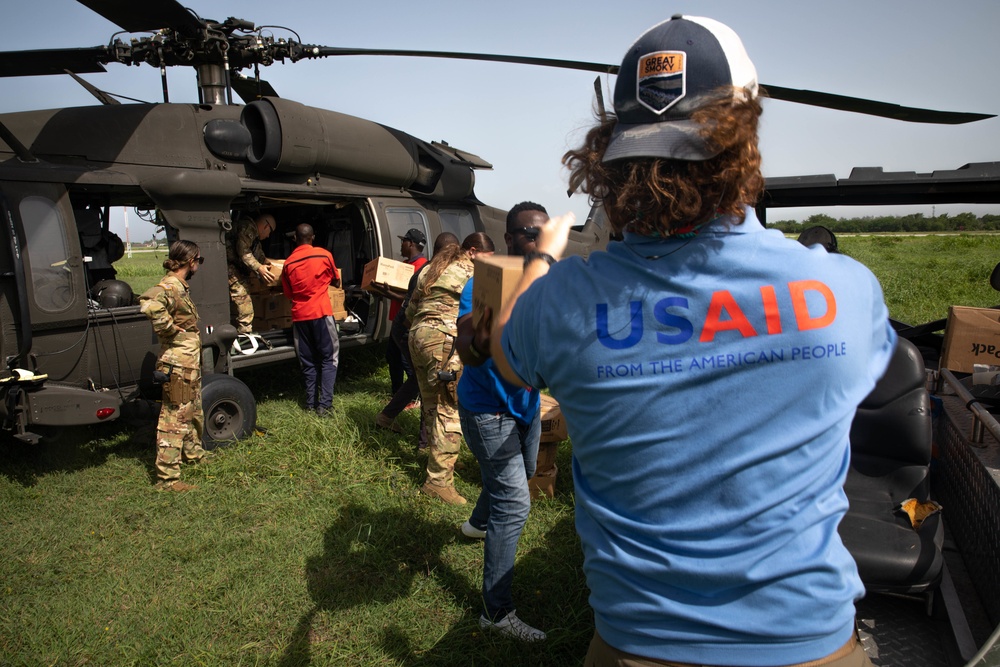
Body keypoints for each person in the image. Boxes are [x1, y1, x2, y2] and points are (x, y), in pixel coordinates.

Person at [489, 16, 893, 667]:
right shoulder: (847, 292)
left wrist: (541, 257)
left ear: (610, 153)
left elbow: (504, 355)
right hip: (812, 644)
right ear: (744, 140)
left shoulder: (560, 302)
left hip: (638, 647)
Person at [454, 202, 548, 642]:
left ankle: (476, 524)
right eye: (531, 233)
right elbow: (467, 347)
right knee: (515, 503)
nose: (539, 242)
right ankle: (495, 613)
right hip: (487, 411)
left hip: (526, 407)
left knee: (523, 475)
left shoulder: (547, 287)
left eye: (544, 234)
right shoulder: (483, 284)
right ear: (509, 239)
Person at [406, 232, 494, 505]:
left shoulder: (430, 268)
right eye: (485, 259)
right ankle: (438, 481)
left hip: (418, 336)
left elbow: (410, 311)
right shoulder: (471, 271)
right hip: (445, 339)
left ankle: (439, 462)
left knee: (432, 404)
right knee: (450, 408)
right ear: (471, 252)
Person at [139, 240, 208, 492]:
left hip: (187, 361)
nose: (199, 264)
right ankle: (168, 479)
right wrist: (168, 329)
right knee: (175, 417)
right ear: (191, 261)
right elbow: (150, 302)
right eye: (199, 260)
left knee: (192, 409)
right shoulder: (170, 285)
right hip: (178, 363)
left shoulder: (180, 286)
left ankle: (193, 454)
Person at [376, 232, 459, 440]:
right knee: (429, 384)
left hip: (408, 328)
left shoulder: (426, 270)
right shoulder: (433, 272)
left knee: (421, 381)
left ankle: (387, 417)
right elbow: (410, 310)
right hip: (411, 329)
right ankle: (426, 443)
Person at [281, 223, 341, 416]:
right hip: (321, 313)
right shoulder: (324, 255)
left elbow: (288, 293)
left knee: (307, 361)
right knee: (329, 358)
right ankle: (325, 405)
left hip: (299, 317)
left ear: (295, 239)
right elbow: (336, 280)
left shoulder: (288, 263)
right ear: (312, 237)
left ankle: (310, 404)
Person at [383, 228, 429, 395]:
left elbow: (411, 297)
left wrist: (388, 293)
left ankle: (415, 396)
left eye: (403, 241)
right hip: (397, 320)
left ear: (410, 244)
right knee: (392, 356)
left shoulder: (421, 267)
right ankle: (396, 392)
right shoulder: (404, 265)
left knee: (406, 360)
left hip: (408, 322)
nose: (401, 245)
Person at [227, 212, 277, 334]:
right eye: (269, 232)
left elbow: (259, 256)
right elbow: (243, 251)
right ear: (266, 227)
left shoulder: (254, 238)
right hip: (230, 268)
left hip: (235, 270)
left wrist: (271, 265)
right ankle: (245, 335)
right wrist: (259, 268)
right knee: (244, 304)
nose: (268, 236)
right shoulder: (248, 227)